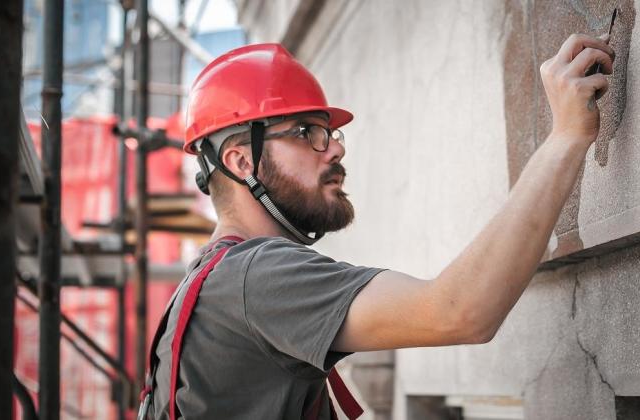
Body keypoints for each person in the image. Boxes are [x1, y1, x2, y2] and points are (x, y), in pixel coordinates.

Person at [141, 32, 615, 420]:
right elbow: (459, 311)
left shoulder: (208, 284)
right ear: (241, 160)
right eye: (308, 133)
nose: (335, 148)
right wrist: (567, 135)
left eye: (329, 132)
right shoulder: (257, 278)